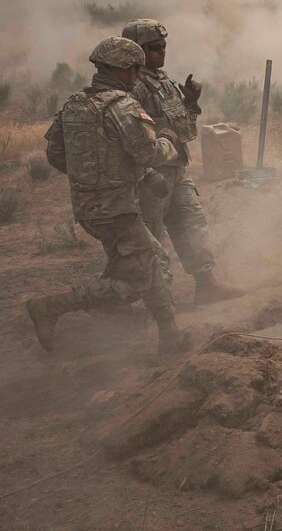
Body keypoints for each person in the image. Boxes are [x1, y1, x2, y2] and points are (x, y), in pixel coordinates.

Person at [29, 36, 190, 355]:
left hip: (89, 207)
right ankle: (52, 306)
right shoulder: (122, 105)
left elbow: (57, 155)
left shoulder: (74, 103)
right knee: (137, 280)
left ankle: (169, 335)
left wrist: (94, 180)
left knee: (151, 261)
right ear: (125, 71)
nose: (136, 77)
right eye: (135, 71)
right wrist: (169, 139)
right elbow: (147, 152)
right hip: (116, 209)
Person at [121, 19, 242, 302]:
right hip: (151, 173)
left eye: (163, 46)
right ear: (137, 50)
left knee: (191, 224)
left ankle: (206, 284)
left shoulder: (162, 80)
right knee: (149, 236)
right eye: (154, 48)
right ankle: (144, 299)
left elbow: (185, 131)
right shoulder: (133, 88)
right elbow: (131, 137)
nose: (161, 52)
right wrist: (149, 171)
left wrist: (190, 103)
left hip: (176, 167)